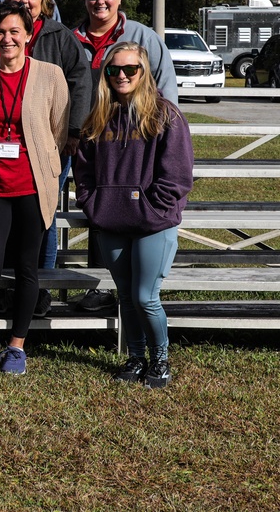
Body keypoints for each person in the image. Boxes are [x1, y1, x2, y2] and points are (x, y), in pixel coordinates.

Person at [74, 42, 193, 388]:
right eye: (114, 70)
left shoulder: (165, 115)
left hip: (152, 223)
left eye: (130, 69)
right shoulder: (98, 117)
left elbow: (178, 175)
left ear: (144, 73)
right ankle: (136, 357)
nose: (121, 76)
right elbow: (84, 171)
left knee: (145, 296)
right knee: (125, 295)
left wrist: (151, 207)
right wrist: (92, 202)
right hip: (110, 220)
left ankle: (160, 359)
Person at [0, 2, 68, 375]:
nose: (7, 39)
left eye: (14, 32)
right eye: (0, 32)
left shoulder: (50, 75)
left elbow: (57, 129)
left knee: (27, 268)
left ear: (28, 35)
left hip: (32, 187)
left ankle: (17, 346)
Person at [72, 0, 179, 312]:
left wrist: (162, 136)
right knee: (99, 213)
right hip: (88, 143)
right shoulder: (71, 38)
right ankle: (95, 288)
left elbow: (168, 95)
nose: (100, 1)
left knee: (131, 214)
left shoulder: (143, 37)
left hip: (138, 145)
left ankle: (136, 290)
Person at [2, 0, 92, 315]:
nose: (25, 0)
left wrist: (73, 131)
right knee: (9, 217)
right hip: (7, 145)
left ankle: (41, 290)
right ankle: (11, 290)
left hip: (51, 142)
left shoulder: (60, 36)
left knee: (44, 215)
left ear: (45, 0)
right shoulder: (2, 33)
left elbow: (81, 82)